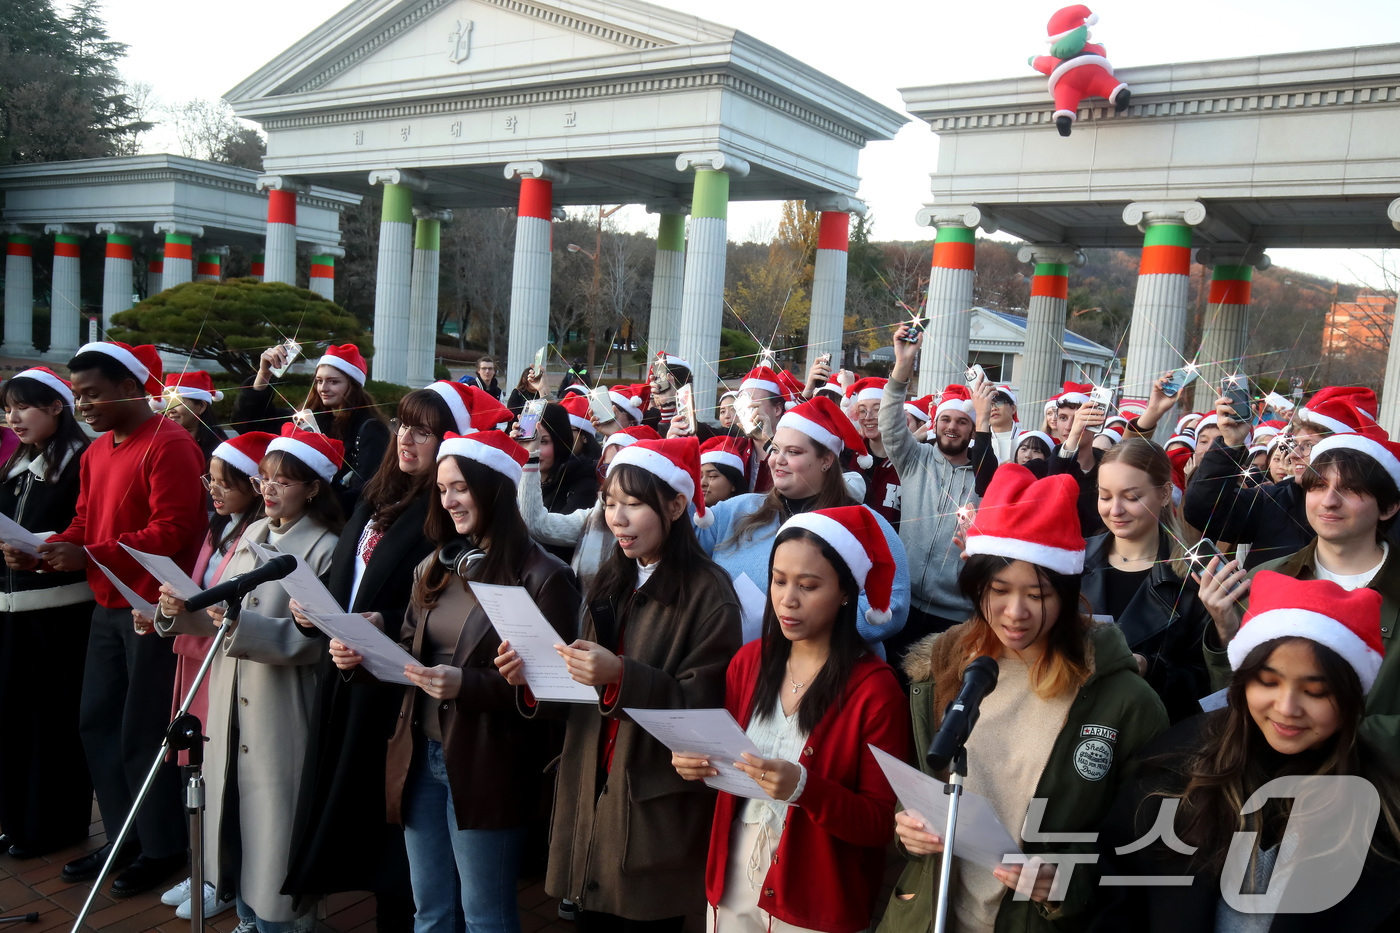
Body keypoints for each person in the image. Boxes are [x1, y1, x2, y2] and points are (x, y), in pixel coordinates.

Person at [878, 464, 1168, 933]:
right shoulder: (948, 669)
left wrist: (1067, 882)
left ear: (1069, 593)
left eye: (1037, 594)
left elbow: (1146, 846)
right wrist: (908, 825)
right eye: (998, 591)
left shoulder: (1124, 703)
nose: (1015, 613)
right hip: (929, 915)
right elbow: (925, 782)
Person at [329, 430, 580, 933]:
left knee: (487, 917)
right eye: (442, 490)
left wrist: (468, 684)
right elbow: (408, 650)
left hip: (487, 762)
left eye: (459, 487)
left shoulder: (544, 577)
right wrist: (363, 653)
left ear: (494, 489)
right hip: (419, 755)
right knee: (431, 910)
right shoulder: (436, 564)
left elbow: (556, 695)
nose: (448, 501)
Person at [495, 436, 743, 931]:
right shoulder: (615, 576)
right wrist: (534, 678)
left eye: (633, 505)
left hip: (648, 799)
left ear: (676, 505)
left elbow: (705, 709)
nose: (617, 519)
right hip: (591, 780)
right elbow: (582, 689)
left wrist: (621, 676)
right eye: (609, 503)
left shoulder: (710, 595)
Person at [285, 382, 501, 930]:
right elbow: (350, 585)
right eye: (404, 424)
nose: (407, 438)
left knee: (392, 834)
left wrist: (385, 628)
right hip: (345, 675)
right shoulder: (375, 496)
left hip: (394, 691)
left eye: (424, 430)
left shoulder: (444, 516)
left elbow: (448, 616)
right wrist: (312, 614)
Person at [1094, 573, 1400, 930]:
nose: (1287, 707)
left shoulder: (1380, 819)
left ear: (1350, 700)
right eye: (1268, 682)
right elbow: (1119, 895)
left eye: (1315, 691)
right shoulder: (1175, 768)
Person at [675, 506, 911, 932]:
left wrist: (805, 788)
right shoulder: (749, 663)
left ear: (845, 592)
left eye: (808, 585)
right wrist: (697, 763)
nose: (788, 599)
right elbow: (729, 763)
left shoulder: (875, 691)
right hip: (732, 874)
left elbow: (879, 823)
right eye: (779, 581)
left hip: (815, 893)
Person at [148, 425, 343, 933]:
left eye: (283, 480)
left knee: (276, 825)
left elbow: (316, 640)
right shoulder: (253, 532)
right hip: (230, 700)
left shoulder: (325, 549)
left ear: (314, 487)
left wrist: (241, 626)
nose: (269, 490)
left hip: (282, 706)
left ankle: (284, 923)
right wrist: (177, 609)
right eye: (264, 479)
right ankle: (247, 916)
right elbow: (217, 616)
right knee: (233, 812)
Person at [40, 341, 207, 894]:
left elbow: (174, 528)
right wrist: (47, 546)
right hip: (107, 606)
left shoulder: (171, 443)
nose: (82, 405)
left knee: (142, 731)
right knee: (96, 721)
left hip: (153, 611)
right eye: (78, 395)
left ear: (131, 388)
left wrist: (89, 553)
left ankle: (161, 846)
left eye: (92, 395)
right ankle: (123, 835)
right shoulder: (95, 453)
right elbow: (85, 519)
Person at [1197, 427, 1400, 756]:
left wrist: (1324, 734)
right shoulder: (1264, 578)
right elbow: (1232, 701)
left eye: (1350, 489)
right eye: (1319, 485)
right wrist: (1226, 633)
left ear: (1388, 506)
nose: (1329, 501)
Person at [159, 431, 271, 920]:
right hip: (198, 658)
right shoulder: (219, 527)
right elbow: (201, 593)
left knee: (218, 773)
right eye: (212, 480)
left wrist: (190, 609)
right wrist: (163, 610)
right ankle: (203, 866)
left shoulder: (259, 534)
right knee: (195, 769)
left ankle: (221, 878)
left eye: (226, 483)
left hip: (226, 663)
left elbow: (229, 606)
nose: (214, 490)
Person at [699, 396, 911, 648]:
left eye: (794, 452)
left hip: (823, 674)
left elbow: (890, 608)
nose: (778, 459)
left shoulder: (863, 523)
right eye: (776, 449)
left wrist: (796, 626)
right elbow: (679, 544)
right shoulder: (738, 509)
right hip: (733, 668)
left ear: (826, 460)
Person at [0, 368, 93, 860]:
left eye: (22, 407)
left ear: (58, 406)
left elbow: (88, 532)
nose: (12, 418)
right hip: (13, 610)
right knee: (13, 717)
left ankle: (55, 825)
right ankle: (15, 820)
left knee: (51, 722)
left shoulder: (81, 462)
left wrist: (39, 552)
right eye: (8, 408)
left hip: (61, 614)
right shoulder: (19, 462)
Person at [1082, 438, 1210, 722]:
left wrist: (1150, 669)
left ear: (1165, 494)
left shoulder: (1192, 578)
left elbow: (1204, 681)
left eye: (1131, 497)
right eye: (1105, 496)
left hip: (1149, 733)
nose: (1115, 510)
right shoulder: (1072, 560)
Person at [878, 325, 988, 651]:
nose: (952, 427)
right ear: (935, 423)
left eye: (962, 421)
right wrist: (903, 365)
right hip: (902, 603)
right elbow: (890, 422)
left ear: (972, 429)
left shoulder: (986, 476)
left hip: (956, 616)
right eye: (946, 420)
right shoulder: (914, 459)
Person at [1185, 386, 1375, 568]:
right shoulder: (1272, 501)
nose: (1293, 455)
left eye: (1308, 445)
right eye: (1295, 444)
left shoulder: (1377, 516)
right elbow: (1201, 510)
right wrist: (1229, 444)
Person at [234, 343, 389, 514]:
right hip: (296, 516)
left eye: (333, 382)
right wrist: (264, 374)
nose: (323, 388)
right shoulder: (308, 418)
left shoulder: (371, 429)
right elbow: (250, 423)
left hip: (333, 522)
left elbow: (365, 491)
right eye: (319, 381)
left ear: (352, 384)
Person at [534, 401, 600, 563]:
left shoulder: (584, 483)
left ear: (560, 442)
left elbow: (548, 539)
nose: (533, 450)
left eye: (543, 441)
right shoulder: (519, 479)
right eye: (530, 439)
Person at [847, 377, 903, 528]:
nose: (868, 417)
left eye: (877, 409)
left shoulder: (907, 461)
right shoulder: (849, 455)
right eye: (862, 410)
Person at [160, 371, 226, 461]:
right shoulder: (160, 444)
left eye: (177, 403)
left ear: (202, 406)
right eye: (168, 403)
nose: (170, 410)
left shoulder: (221, 452)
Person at [699, 436, 752, 507]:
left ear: (734, 484)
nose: (702, 483)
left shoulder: (746, 515)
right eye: (699, 477)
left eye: (712, 476)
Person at [987, 385, 1020, 464]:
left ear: (1013, 409)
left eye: (999, 403)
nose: (994, 408)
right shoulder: (976, 442)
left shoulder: (1026, 439)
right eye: (989, 405)